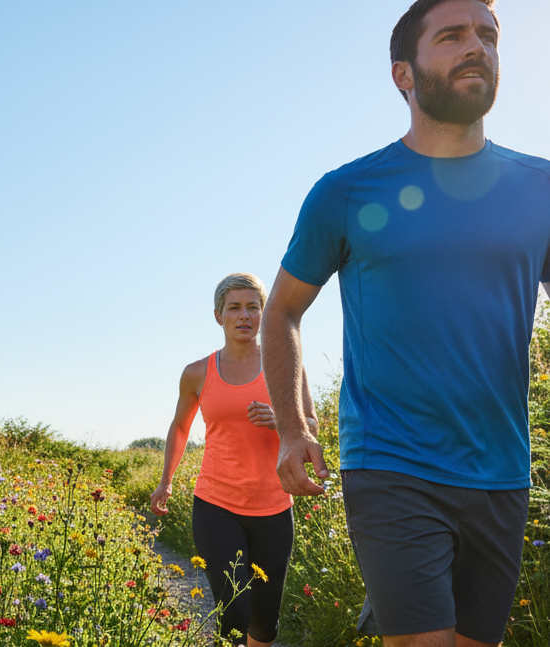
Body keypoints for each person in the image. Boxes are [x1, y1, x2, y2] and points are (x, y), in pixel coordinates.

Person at [262, 1, 549, 646]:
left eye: (488, 35)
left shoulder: (541, 188)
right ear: (403, 74)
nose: (476, 46)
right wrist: (293, 428)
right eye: (452, 35)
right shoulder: (346, 192)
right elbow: (282, 311)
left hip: (502, 468)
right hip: (393, 462)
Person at [150, 272, 318, 647]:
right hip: (215, 503)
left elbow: (311, 426)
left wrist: (282, 420)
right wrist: (165, 482)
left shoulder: (286, 367)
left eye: (253, 307)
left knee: (265, 623)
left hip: (273, 505)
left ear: (264, 314)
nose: (244, 315)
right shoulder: (197, 373)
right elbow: (180, 428)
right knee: (233, 613)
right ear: (219, 316)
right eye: (234, 308)